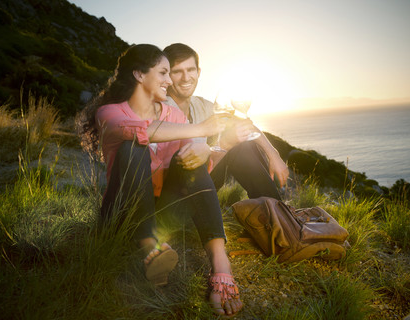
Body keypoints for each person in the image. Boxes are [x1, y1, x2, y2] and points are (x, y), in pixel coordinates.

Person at [78, 44, 243, 317]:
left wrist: (204, 149)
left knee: (189, 158)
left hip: (166, 210)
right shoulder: (109, 112)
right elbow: (139, 131)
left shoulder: (173, 116)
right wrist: (203, 128)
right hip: (124, 210)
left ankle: (220, 262)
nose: (170, 81)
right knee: (133, 146)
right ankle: (150, 248)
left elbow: (195, 155)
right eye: (164, 73)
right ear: (140, 75)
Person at [163, 43, 290, 201]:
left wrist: (273, 154)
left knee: (244, 142)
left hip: (202, 184)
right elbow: (184, 173)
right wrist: (226, 143)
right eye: (177, 71)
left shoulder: (201, 105)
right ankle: (276, 213)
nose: (186, 78)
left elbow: (245, 125)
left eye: (190, 70)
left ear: (199, 72)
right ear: (166, 75)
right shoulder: (162, 110)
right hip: (176, 199)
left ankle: (273, 211)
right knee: (237, 145)